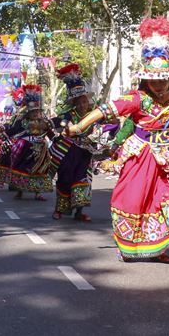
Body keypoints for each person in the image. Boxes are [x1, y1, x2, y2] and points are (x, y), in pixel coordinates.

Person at [71, 17, 169, 263]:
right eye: (154, 80)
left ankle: (160, 247)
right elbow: (106, 110)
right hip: (142, 155)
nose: (159, 85)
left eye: (163, 79)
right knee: (131, 198)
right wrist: (78, 126)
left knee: (165, 201)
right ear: (146, 79)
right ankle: (128, 244)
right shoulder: (137, 98)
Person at [48, 63, 96, 221]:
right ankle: (59, 210)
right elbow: (59, 123)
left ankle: (79, 212)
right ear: (74, 103)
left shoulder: (94, 114)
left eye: (84, 101)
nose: (83, 105)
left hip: (84, 153)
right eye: (79, 102)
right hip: (68, 152)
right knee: (65, 179)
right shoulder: (68, 115)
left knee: (83, 180)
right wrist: (65, 126)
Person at [5, 84, 54, 201]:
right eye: (33, 112)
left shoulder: (44, 122)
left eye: (37, 111)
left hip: (41, 150)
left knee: (40, 170)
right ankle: (19, 191)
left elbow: (49, 133)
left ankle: (38, 193)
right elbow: (13, 131)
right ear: (28, 113)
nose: (35, 113)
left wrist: (56, 140)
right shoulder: (22, 122)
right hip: (25, 149)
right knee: (21, 168)